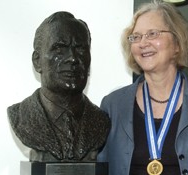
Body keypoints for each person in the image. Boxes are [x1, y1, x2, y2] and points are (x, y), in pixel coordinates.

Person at [97, 1, 188, 175]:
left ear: (177, 43)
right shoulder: (113, 105)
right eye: (136, 37)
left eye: (152, 34)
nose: (143, 43)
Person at [7, 11, 111, 162]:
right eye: (59, 49)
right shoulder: (20, 117)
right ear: (37, 61)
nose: (73, 58)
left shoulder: (101, 121)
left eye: (80, 48)